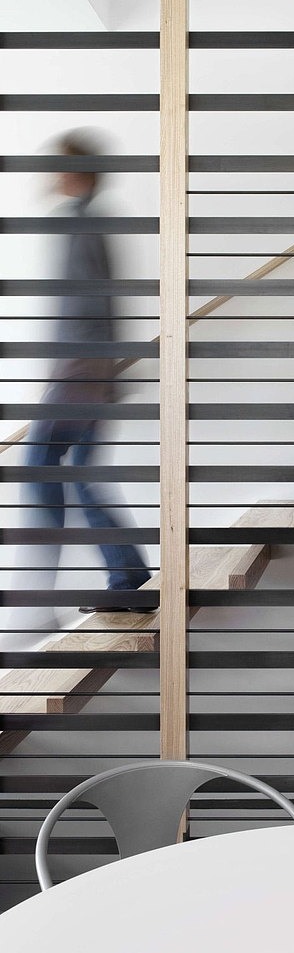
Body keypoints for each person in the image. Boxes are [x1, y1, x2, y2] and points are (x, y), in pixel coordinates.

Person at [21, 129, 154, 615]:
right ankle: (128, 577)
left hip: (80, 375)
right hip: (91, 374)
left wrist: (73, 377)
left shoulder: (80, 224)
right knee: (81, 474)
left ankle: (42, 594)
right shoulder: (89, 221)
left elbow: (87, 307)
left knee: (41, 466)